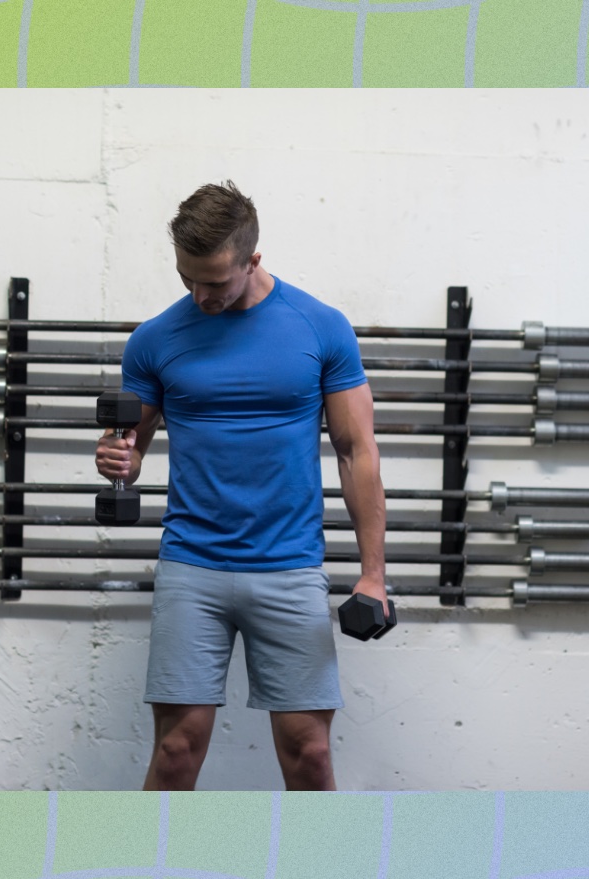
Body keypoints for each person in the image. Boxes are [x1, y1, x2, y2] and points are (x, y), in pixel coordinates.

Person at [95, 180, 387, 791]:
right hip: (192, 565)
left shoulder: (320, 327)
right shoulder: (154, 340)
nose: (200, 295)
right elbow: (132, 446)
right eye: (187, 279)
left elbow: (356, 451)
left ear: (253, 259)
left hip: (290, 567)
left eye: (215, 282)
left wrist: (373, 575)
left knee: (310, 754)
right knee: (176, 750)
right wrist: (118, 458)